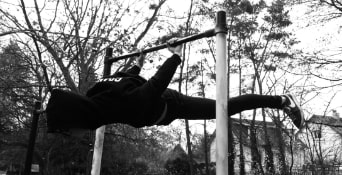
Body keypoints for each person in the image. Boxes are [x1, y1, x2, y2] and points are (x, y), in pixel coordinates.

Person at [46, 39, 304, 136]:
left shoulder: (115, 105)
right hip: (162, 109)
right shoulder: (95, 95)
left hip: (172, 104)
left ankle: (281, 101)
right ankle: (280, 101)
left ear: (77, 118)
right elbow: (122, 79)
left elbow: (154, 86)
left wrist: (176, 56)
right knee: (223, 109)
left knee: (223, 109)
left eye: (70, 130)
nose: (75, 134)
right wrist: (136, 65)